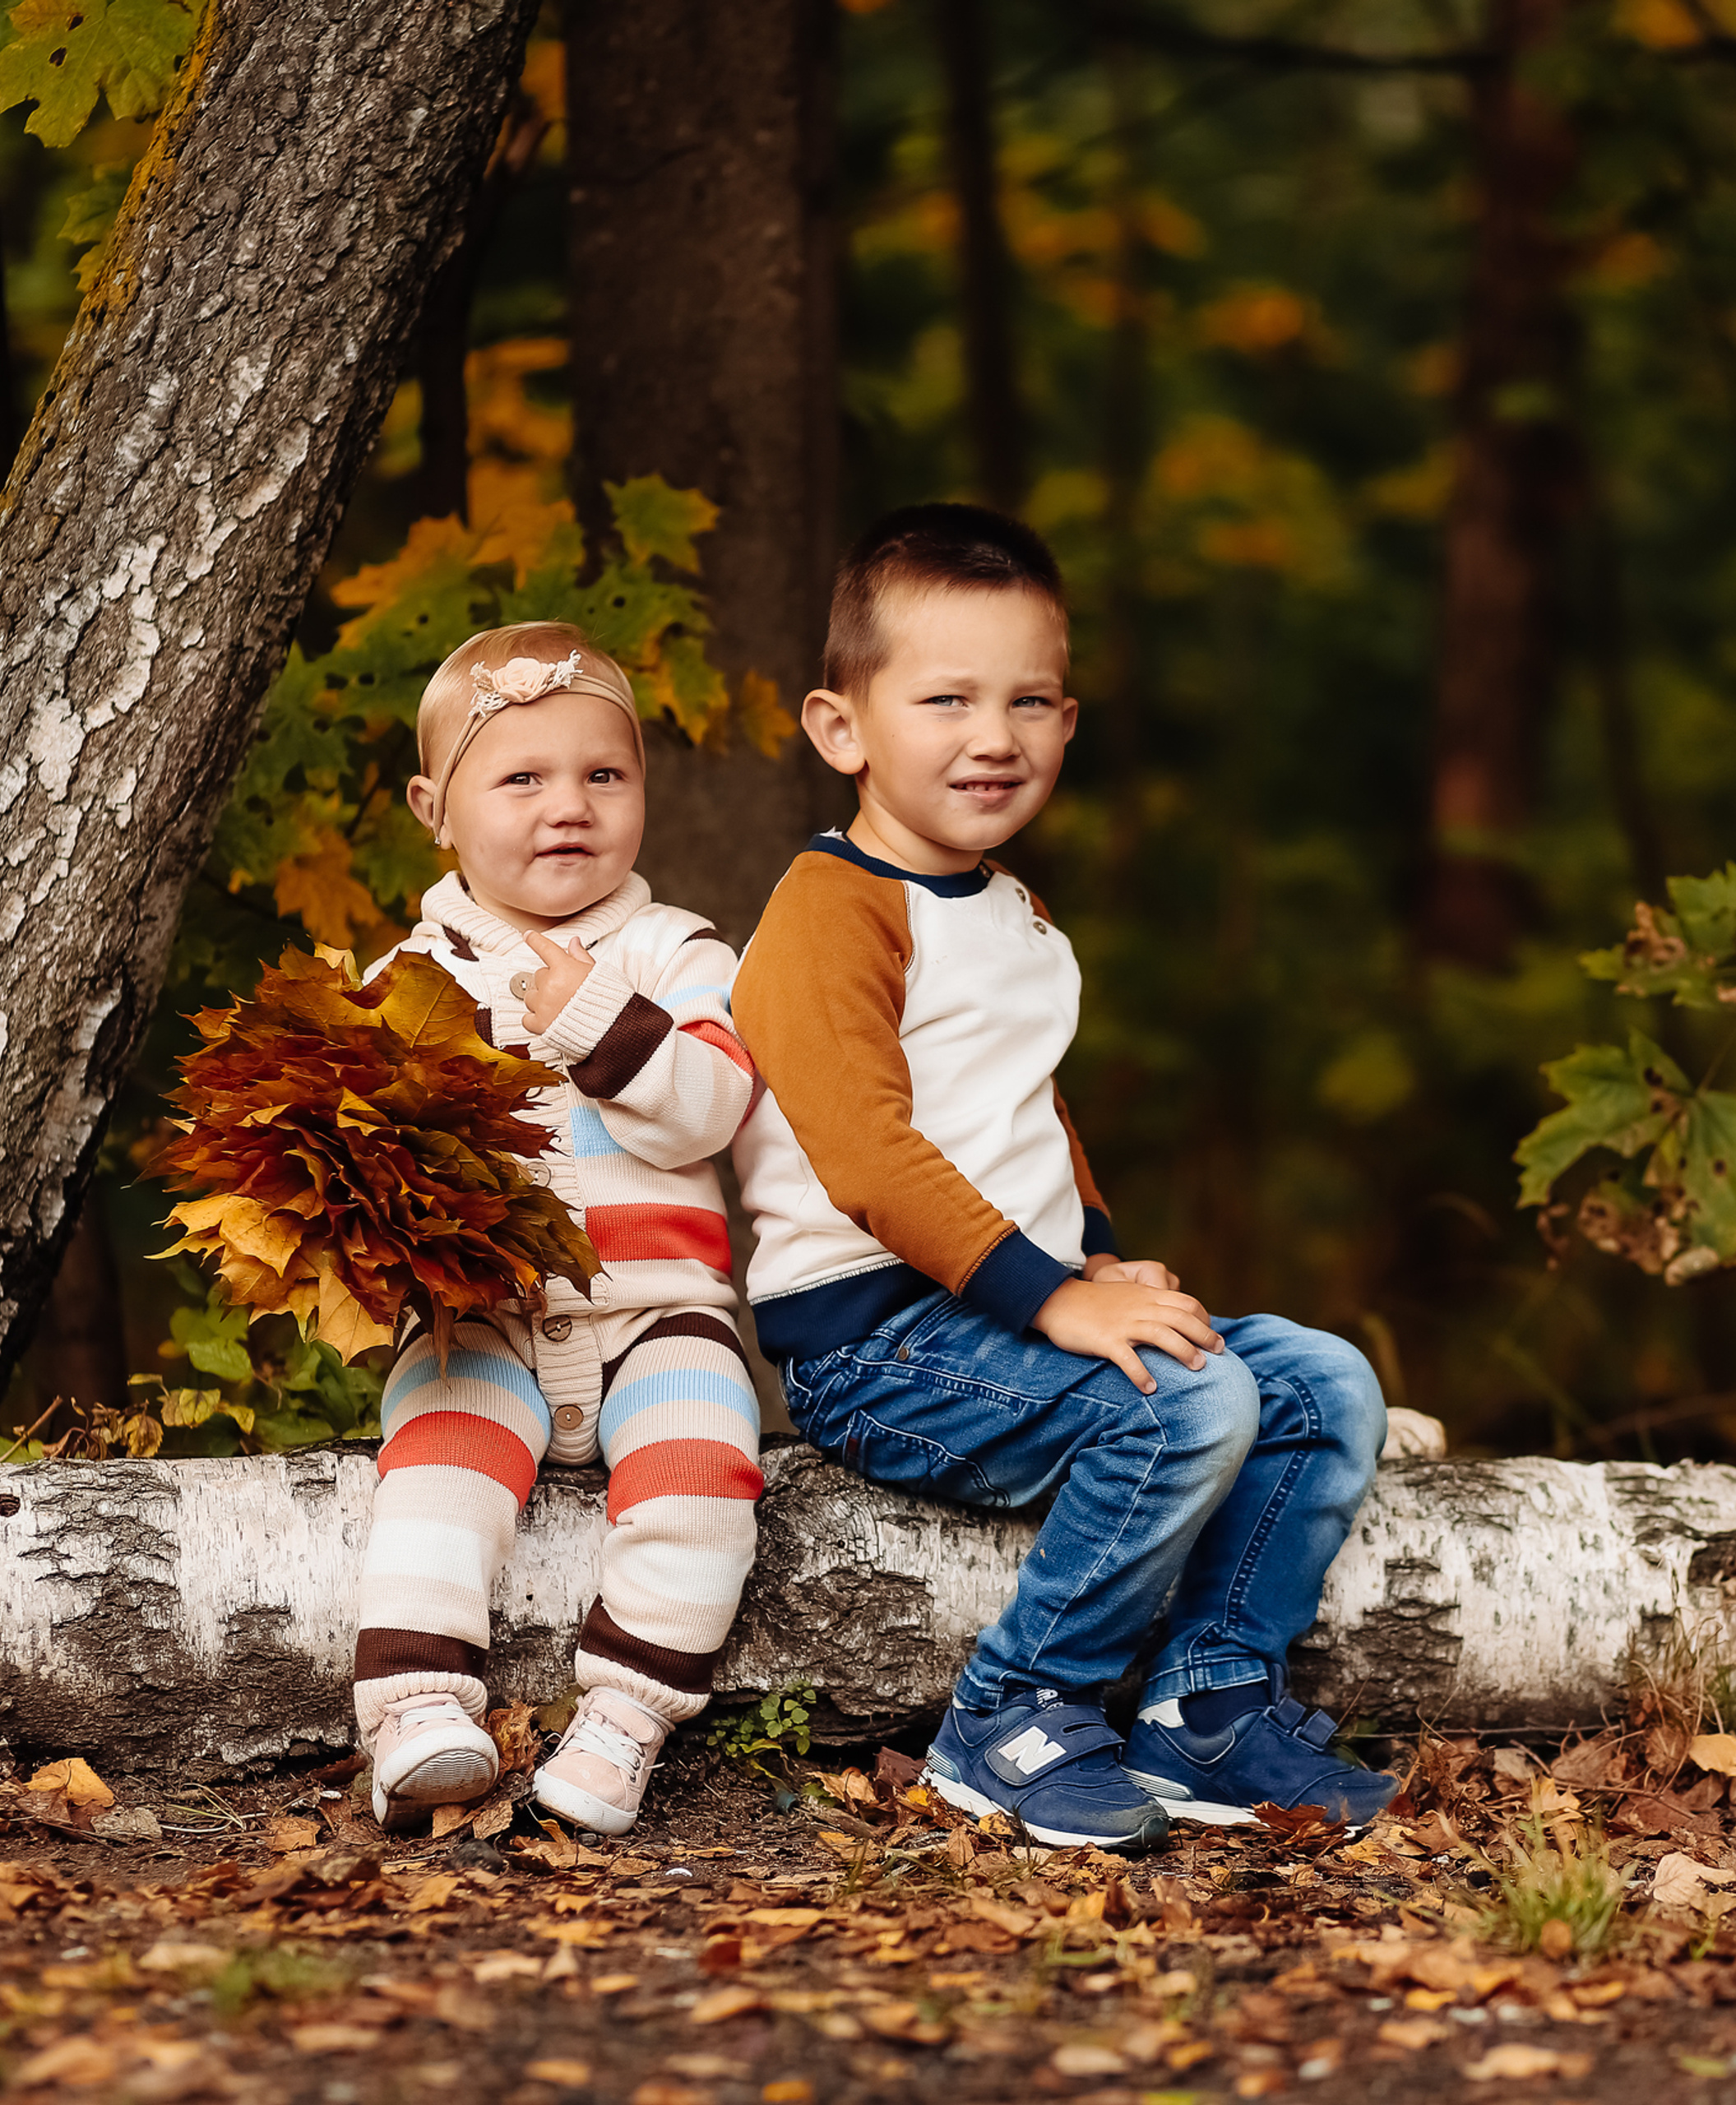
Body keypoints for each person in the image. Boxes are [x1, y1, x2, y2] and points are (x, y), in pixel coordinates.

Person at [731, 506, 1396, 1854]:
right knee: (1185, 1404)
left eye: (1030, 700)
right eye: (948, 699)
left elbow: (1032, 1114)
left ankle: (1205, 1709)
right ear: (841, 728)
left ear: (1070, 722)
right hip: (876, 1340)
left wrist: (1096, 1254)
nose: (996, 735)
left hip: (1010, 1304)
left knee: (1324, 1382)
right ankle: (1015, 1709)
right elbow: (867, 1156)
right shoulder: (830, 910)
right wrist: (1055, 1302)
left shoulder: (1018, 914)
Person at [352, 621, 762, 1837]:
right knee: (433, 1478)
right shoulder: (401, 982)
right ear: (436, 807)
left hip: (656, 1310)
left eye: (603, 775)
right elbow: (362, 1173)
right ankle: (420, 1704)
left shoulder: (674, 949)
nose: (566, 807)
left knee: (702, 1469)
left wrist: (594, 1016)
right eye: (521, 779)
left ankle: (628, 1712)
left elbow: (711, 1108)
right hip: (486, 1318)